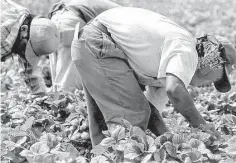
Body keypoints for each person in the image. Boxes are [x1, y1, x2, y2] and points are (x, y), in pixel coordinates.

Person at [71, 7, 236, 146]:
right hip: (99, 41)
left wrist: (170, 142)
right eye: (217, 78)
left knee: (103, 118)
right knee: (132, 114)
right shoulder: (186, 50)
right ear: (213, 61)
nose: (209, 85)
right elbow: (175, 91)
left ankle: (104, 156)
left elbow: (152, 112)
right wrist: (201, 125)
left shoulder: (172, 72)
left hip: (88, 44)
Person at [48, 0, 120, 92]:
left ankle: (54, 102)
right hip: (72, 22)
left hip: (56, 19)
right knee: (67, 84)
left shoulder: (115, 9)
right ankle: (64, 102)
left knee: (58, 79)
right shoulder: (127, 18)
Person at [1, 0, 59, 95]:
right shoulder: (3, 29)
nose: (26, 54)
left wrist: (42, 98)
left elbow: (30, 72)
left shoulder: (24, 33)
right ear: (24, 29)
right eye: (27, 48)